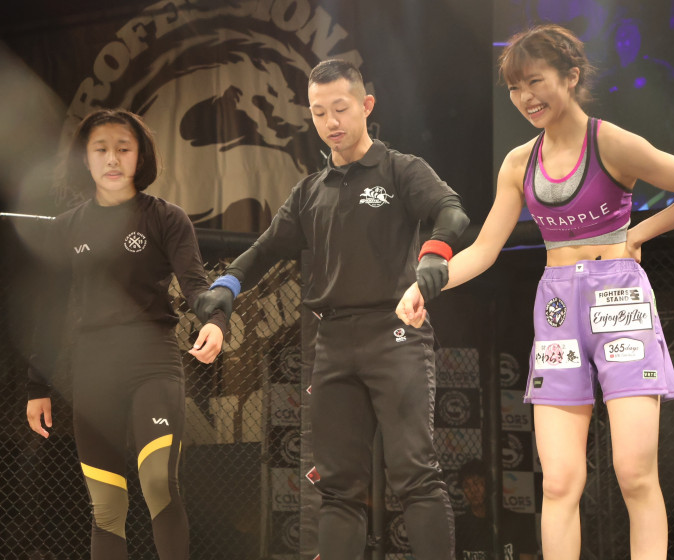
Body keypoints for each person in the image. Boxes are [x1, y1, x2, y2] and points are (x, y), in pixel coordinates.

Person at [396, 24, 674, 560]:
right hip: (557, 308)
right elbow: (484, 249)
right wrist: (426, 285)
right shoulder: (518, 163)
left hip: (620, 299)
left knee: (634, 473)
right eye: (514, 87)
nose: (525, 97)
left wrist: (635, 235)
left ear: (571, 77)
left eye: (535, 81)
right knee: (558, 481)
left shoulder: (610, 142)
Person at [193, 58, 469, 559]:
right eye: (319, 112)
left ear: (366, 105)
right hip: (334, 343)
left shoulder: (401, 169)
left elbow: (450, 211)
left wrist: (434, 257)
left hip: (396, 334)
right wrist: (227, 286)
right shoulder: (309, 192)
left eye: (340, 108)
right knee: (339, 487)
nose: (331, 122)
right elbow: (264, 248)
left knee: (414, 474)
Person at [25, 109, 226, 560]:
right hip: (94, 370)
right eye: (101, 149)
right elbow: (51, 312)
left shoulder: (166, 218)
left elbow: (196, 285)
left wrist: (215, 320)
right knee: (106, 506)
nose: (112, 159)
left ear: (140, 156)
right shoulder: (67, 227)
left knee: (158, 484)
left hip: (153, 362)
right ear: (85, 159)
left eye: (123, 148)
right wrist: (37, 386)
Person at [455, 459, 537, 560]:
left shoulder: (517, 522)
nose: (473, 490)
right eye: (466, 486)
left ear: (488, 484)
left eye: (477, 483)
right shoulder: (458, 527)